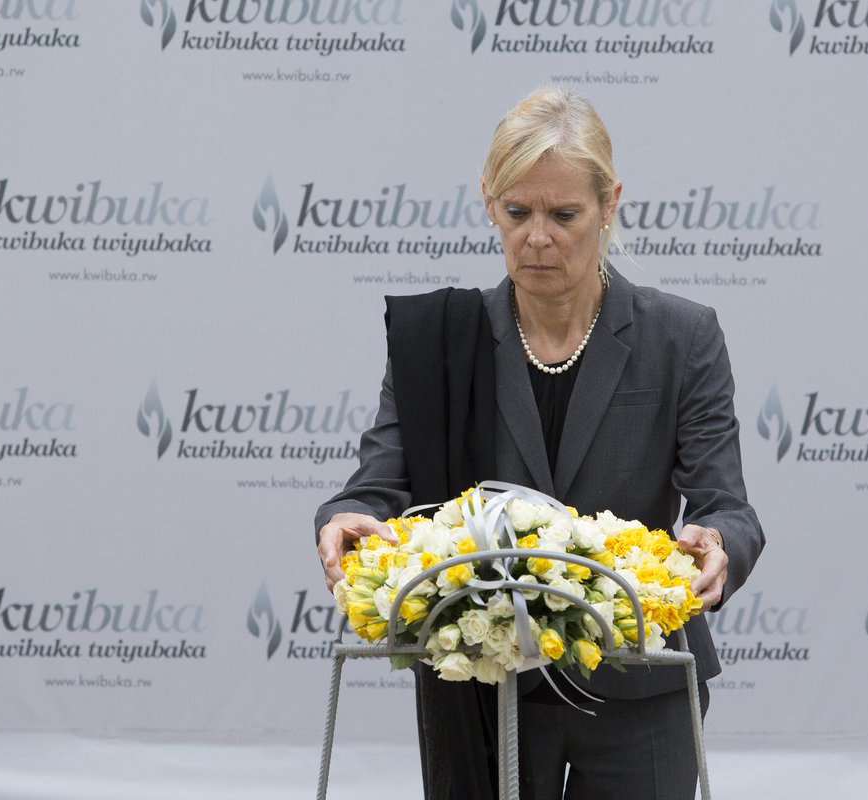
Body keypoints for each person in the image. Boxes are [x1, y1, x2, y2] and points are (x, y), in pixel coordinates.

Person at [316, 85, 764, 800]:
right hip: (486, 687)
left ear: (609, 204)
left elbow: (726, 507)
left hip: (640, 684)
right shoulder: (438, 345)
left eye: (564, 215)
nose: (537, 237)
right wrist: (346, 519)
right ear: (488, 203)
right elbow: (375, 487)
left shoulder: (683, 336)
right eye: (518, 212)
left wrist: (717, 544)